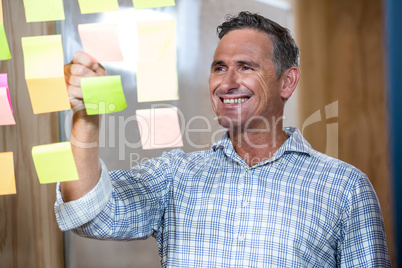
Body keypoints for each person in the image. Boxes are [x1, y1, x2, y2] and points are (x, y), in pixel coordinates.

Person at [55, 11, 391, 267]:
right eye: (219, 68)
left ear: (287, 82)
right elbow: (88, 213)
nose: (227, 83)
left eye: (245, 67)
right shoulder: (176, 175)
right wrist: (86, 118)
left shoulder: (345, 188)